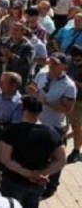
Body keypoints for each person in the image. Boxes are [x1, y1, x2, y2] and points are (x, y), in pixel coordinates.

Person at [0, 95, 66, 208]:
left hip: (13, 182)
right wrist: (41, 173)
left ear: (22, 109)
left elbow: (5, 159)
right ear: (40, 111)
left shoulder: (11, 131)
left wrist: (28, 173)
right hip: (37, 184)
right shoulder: (52, 133)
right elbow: (61, 160)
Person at [26, 52, 76, 198]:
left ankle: (51, 186)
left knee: (55, 159)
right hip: (36, 121)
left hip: (55, 126)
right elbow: (33, 88)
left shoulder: (69, 86)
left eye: (55, 63)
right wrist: (32, 92)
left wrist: (45, 101)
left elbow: (67, 108)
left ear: (64, 66)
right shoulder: (41, 75)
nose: (51, 65)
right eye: (50, 62)